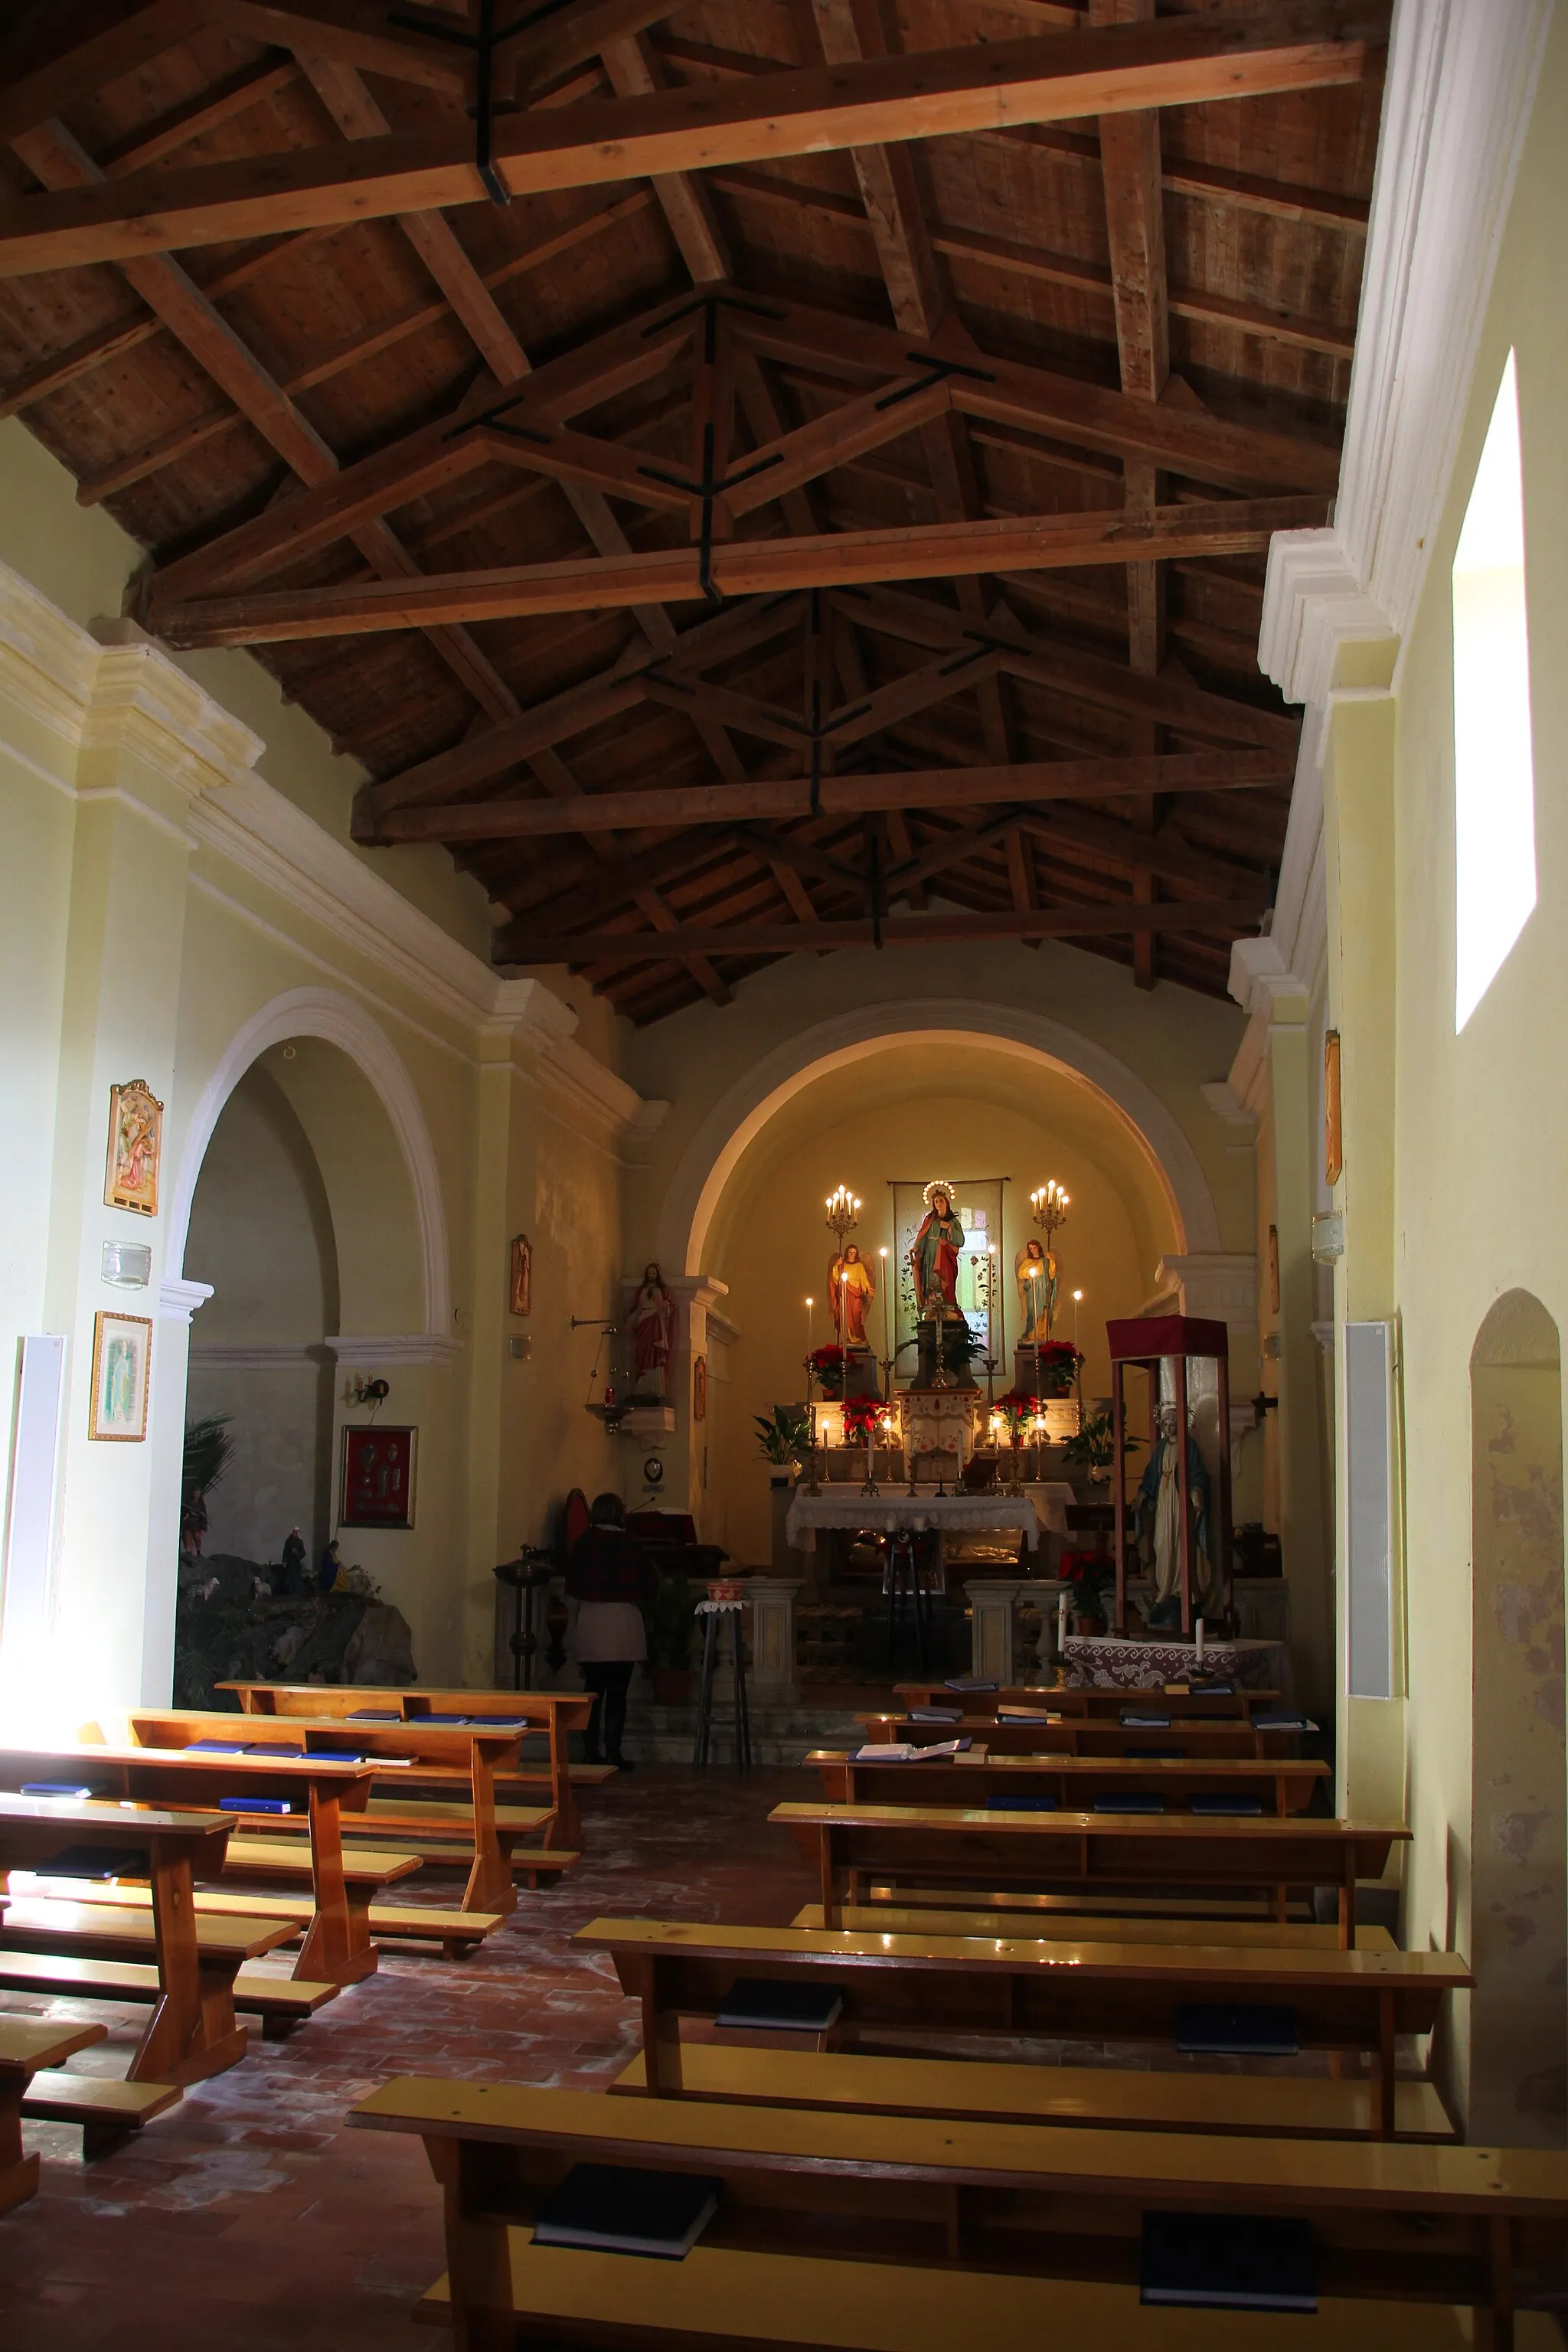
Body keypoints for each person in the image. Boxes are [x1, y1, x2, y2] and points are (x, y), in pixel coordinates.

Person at [565, 1492, 655, 1769]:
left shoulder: (583, 1544)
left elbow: (573, 1585)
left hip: (592, 1621)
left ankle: (590, 1752)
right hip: (623, 1623)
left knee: (592, 1694)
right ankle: (614, 1753)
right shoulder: (631, 1544)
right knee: (618, 1694)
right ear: (619, 1514)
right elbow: (650, 1583)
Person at [910, 1185, 965, 1315]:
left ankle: (947, 1307)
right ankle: (933, 1308)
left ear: (946, 1202)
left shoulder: (953, 1221)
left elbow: (960, 1240)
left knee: (945, 1281)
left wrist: (950, 1228)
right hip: (930, 1255)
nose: (939, 1204)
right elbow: (923, 1236)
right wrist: (917, 1247)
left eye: (941, 1201)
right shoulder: (930, 1220)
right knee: (931, 1280)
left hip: (945, 1257)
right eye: (936, 1202)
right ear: (934, 1204)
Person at [828, 1241, 875, 1348]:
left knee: (856, 1317)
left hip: (855, 1294)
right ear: (847, 1253)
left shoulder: (859, 1266)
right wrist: (836, 1266)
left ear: (856, 1254)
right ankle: (848, 1338)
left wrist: (868, 1288)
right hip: (845, 1293)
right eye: (850, 1252)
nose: (852, 1254)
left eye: (854, 1252)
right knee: (844, 1316)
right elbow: (835, 1279)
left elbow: (864, 1279)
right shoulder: (842, 1265)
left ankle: (858, 1338)